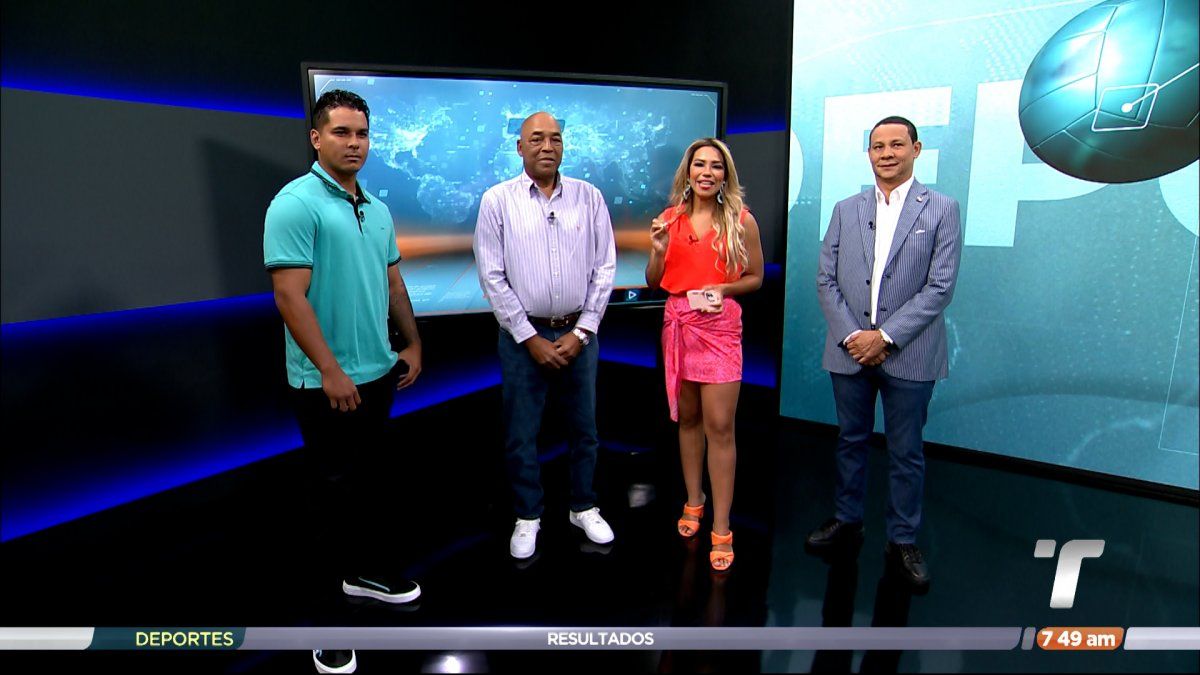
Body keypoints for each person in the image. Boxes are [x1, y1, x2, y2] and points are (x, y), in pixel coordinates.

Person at [264, 89, 424, 674]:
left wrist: (412, 341)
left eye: (361, 133)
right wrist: (330, 370)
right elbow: (288, 294)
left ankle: (363, 576)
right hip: (324, 382)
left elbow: (395, 285)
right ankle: (327, 622)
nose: (354, 143)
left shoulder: (375, 207)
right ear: (316, 137)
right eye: (341, 133)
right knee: (329, 500)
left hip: (378, 371)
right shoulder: (295, 203)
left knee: (368, 487)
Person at [808, 115, 963, 589]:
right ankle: (847, 520)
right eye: (878, 146)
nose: (887, 153)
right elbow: (826, 279)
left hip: (910, 354)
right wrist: (855, 335)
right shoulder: (845, 208)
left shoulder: (942, 208)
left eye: (898, 144)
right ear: (869, 154)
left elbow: (940, 288)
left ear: (917, 149)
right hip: (849, 350)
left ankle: (902, 540)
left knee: (906, 452)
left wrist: (886, 336)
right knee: (850, 441)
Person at [473, 111, 618, 560]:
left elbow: (605, 267)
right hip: (523, 337)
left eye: (555, 138)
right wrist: (528, 337)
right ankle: (528, 515)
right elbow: (492, 275)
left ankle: (583, 506)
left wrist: (583, 330)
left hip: (580, 332)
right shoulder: (497, 201)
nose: (547, 146)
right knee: (521, 433)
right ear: (520, 148)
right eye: (536, 139)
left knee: (585, 428)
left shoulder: (589, 197)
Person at [645, 138, 764, 572]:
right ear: (688, 171)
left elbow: (754, 278)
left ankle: (722, 525)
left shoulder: (741, 221)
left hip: (718, 328)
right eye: (700, 164)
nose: (707, 172)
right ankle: (693, 501)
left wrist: (723, 289)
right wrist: (657, 252)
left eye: (716, 166)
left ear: (725, 175)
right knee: (688, 418)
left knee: (721, 426)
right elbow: (655, 280)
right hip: (678, 323)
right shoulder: (669, 219)